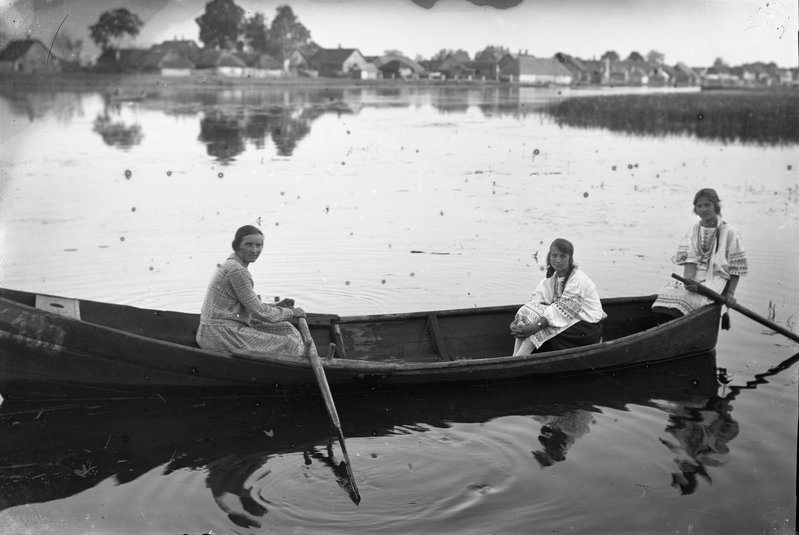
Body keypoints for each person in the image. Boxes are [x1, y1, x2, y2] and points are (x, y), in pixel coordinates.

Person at [196, 225, 306, 355]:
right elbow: (258, 311)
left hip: (222, 328)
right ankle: (299, 368)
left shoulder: (234, 264)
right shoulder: (237, 270)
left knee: (286, 328)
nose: (254, 250)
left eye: (258, 245)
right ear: (237, 246)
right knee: (290, 343)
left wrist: (277, 306)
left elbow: (250, 305)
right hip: (219, 335)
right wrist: (291, 313)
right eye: (248, 244)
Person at [652, 188, 748, 317]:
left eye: (707, 205)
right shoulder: (694, 230)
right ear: (695, 209)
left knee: (684, 301)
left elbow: (736, 268)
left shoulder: (729, 232)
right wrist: (689, 282)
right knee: (666, 295)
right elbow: (689, 262)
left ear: (716, 206)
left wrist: (730, 293)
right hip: (695, 278)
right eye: (699, 206)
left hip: (717, 281)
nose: (703, 210)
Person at [510, 238, 606, 355]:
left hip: (586, 328)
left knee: (540, 329)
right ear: (549, 256)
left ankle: (517, 361)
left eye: (563, 256)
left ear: (570, 258)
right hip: (569, 320)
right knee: (527, 316)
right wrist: (518, 320)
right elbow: (536, 301)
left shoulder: (578, 280)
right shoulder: (554, 277)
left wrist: (535, 327)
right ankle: (515, 357)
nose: (557, 260)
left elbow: (561, 311)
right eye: (554, 256)